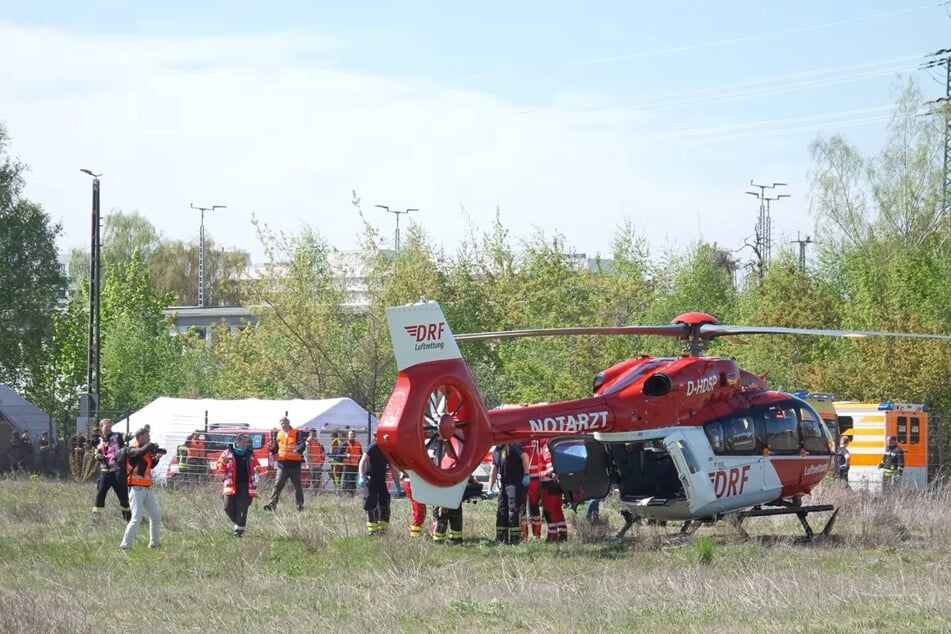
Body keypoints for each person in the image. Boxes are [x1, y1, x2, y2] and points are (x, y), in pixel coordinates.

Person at [119, 427, 165, 550]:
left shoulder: (145, 452)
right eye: (147, 436)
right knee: (136, 518)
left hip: (146, 488)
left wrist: (156, 459)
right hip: (135, 489)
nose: (149, 438)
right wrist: (149, 446)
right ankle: (125, 545)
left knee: (155, 515)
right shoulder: (131, 450)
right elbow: (136, 455)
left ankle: (154, 544)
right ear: (139, 437)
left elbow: (148, 467)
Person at [217, 433, 261, 537]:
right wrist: (223, 463)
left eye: (247, 442)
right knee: (227, 507)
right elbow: (220, 469)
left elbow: (257, 466)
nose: (247, 444)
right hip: (231, 486)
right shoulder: (227, 453)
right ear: (238, 442)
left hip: (246, 485)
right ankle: (237, 523)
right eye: (244, 442)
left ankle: (239, 532)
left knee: (243, 508)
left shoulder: (250, 453)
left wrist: (257, 469)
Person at [488, 441, 532, 544]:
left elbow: (525, 457)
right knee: (502, 510)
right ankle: (501, 538)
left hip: (515, 482)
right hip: (504, 484)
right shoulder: (497, 451)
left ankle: (514, 538)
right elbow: (494, 469)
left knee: (513, 510)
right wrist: (490, 487)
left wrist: (526, 474)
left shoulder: (513, 444)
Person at [263, 417, 306, 511]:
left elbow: (302, 444)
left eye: (284, 423)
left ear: (288, 423)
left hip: (294, 464)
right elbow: (276, 449)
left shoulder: (296, 432)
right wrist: (271, 448)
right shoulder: (279, 434)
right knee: (277, 485)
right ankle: (272, 505)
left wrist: (298, 450)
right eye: (281, 423)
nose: (283, 425)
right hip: (282, 464)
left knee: (297, 486)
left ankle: (300, 505)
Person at [93, 419, 131, 521]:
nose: (109, 428)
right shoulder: (98, 440)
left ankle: (128, 519)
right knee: (100, 494)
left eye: (110, 426)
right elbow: (96, 454)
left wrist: (131, 435)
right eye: (106, 426)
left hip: (117, 471)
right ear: (101, 427)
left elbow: (127, 436)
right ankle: (96, 519)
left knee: (123, 496)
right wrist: (98, 456)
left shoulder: (117, 436)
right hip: (105, 472)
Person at [358, 441, 396, 536]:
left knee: (385, 502)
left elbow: (392, 468)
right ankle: (372, 530)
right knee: (370, 501)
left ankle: (383, 529)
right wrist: (361, 476)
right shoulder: (373, 447)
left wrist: (398, 485)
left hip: (381, 479)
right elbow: (363, 461)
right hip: (370, 479)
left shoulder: (388, 450)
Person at [539, 440, 568, 541]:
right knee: (557, 508)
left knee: (548, 509)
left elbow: (548, 460)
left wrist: (551, 473)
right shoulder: (556, 443)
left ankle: (552, 535)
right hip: (558, 481)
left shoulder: (546, 445)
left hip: (548, 481)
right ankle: (563, 533)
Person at [520, 439, 543, 540]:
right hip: (529, 478)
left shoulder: (536, 441)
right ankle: (528, 534)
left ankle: (533, 535)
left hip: (531, 478)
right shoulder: (536, 441)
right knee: (525, 507)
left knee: (531, 507)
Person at [342, 429, 363, 495]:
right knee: (346, 481)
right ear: (348, 436)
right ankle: (344, 494)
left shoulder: (358, 443)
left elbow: (361, 454)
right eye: (351, 434)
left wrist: (360, 464)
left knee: (353, 481)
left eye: (353, 434)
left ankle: (352, 494)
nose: (352, 435)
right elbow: (339, 454)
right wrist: (346, 455)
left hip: (355, 465)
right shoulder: (345, 443)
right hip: (347, 465)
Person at [305, 429, 325, 493]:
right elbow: (306, 455)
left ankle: (316, 493)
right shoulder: (308, 442)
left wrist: (321, 462)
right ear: (310, 434)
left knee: (318, 480)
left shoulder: (316, 441)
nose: (314, 435)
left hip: (318, 464)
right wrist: (309, 465)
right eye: (313, 434)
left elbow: (319, 452)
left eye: (315, 434)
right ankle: (312, 493)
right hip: (312, 465)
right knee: (313, 481)